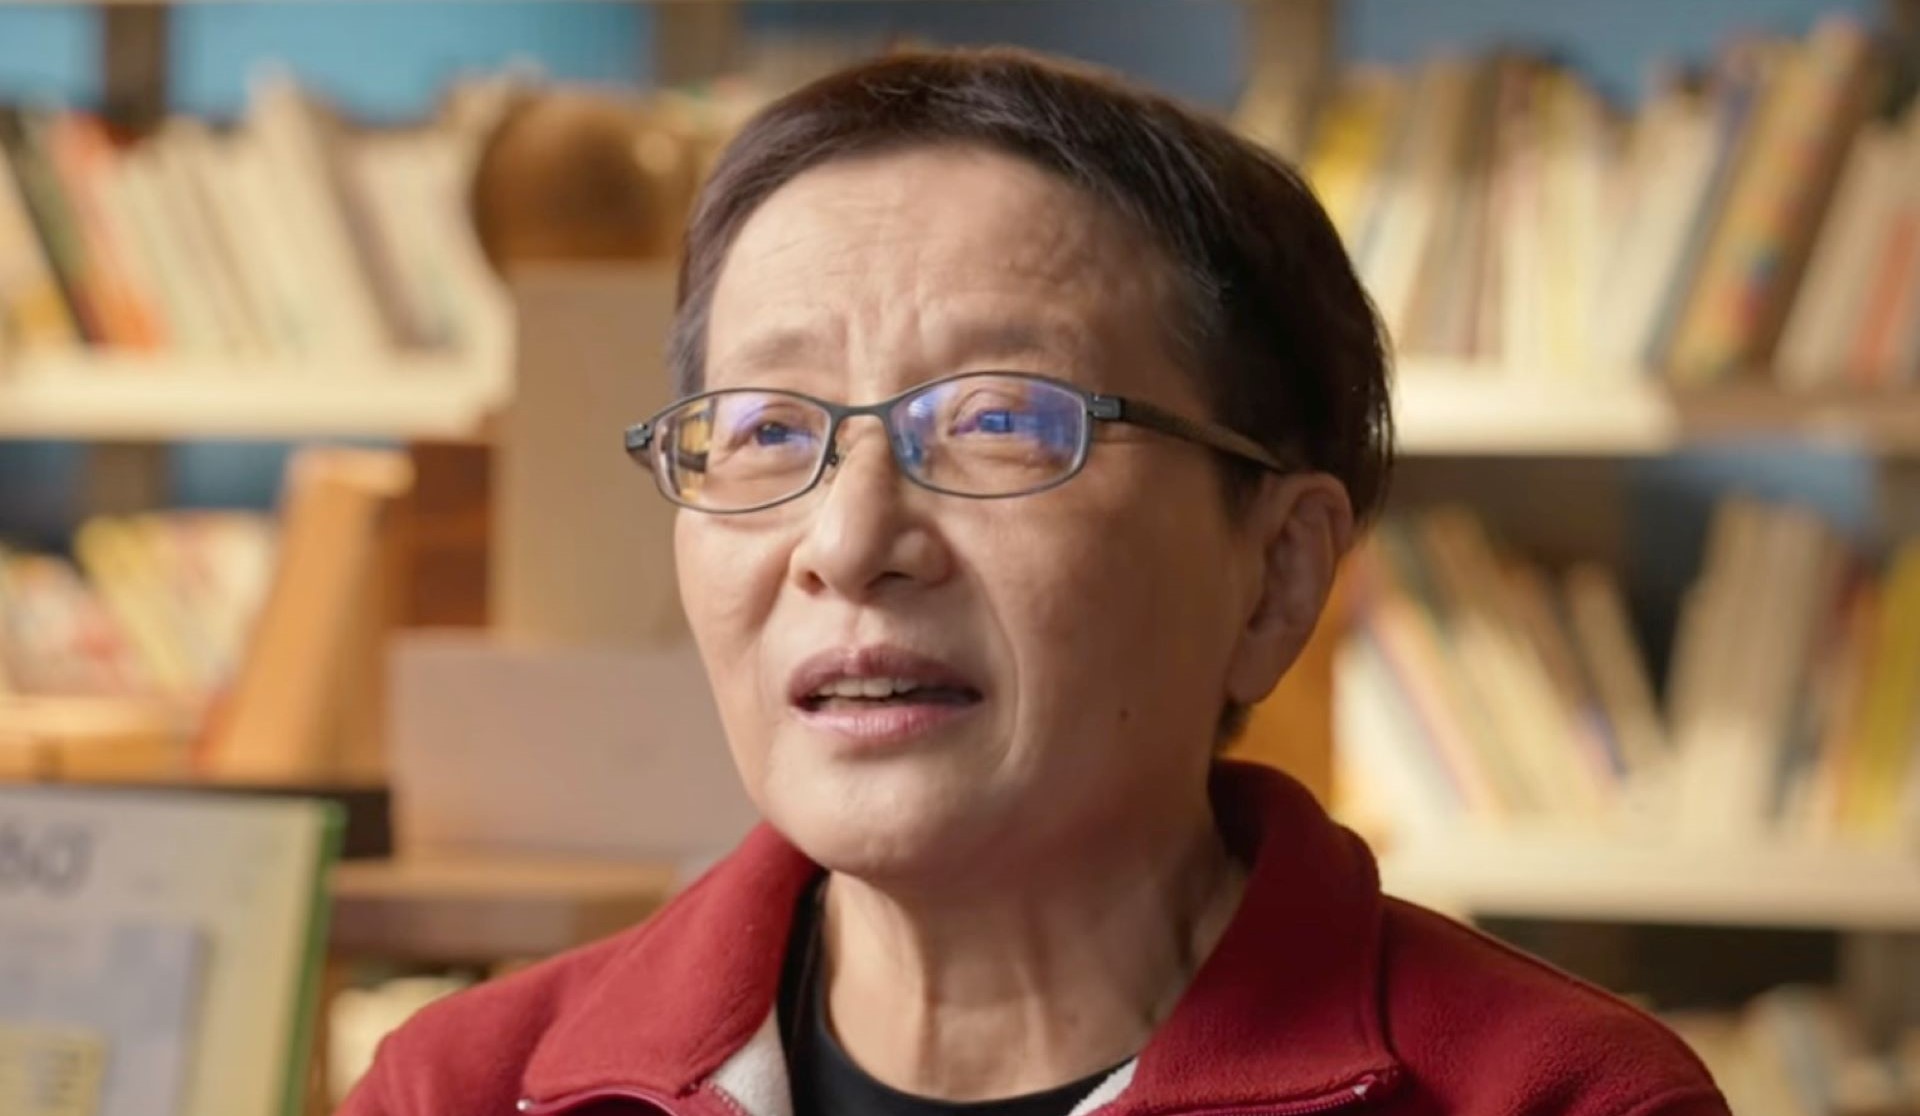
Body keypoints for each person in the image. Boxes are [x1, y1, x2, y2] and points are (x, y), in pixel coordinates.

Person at [341, 49, 1730, 1116]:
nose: (848, 542)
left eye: (998, 419)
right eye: (765, 429)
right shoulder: (463, 1090)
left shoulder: (1559, 1099)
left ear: (1275, 575)